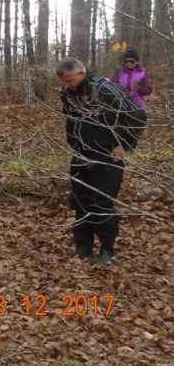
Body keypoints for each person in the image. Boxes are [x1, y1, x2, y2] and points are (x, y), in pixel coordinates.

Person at [57, 57, 146, 265]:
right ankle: (83, 247)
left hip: (107, 157)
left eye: (69, 80)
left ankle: (107, 250)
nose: (67, 85)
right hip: (80, 154)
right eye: (64, 82)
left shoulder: (105, 89)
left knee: (101, 203)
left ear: (81, 73)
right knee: (80, 201)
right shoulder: (68, 95)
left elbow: (137, 115)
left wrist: (123, 145)